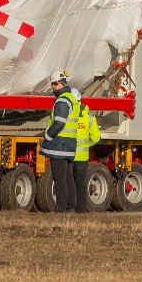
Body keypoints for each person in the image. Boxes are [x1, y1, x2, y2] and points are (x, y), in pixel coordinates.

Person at [41, 71, 80, 212]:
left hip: (59, 144)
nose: (53, 87)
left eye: (55, 84)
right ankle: (71, 206)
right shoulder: (72, 99)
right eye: (52, 84)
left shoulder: (62, 100)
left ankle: (60, 208)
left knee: (59, 178)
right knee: (68, 177)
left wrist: (48, 137)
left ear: (62, 83)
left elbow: (59, 123)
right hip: (68, 144)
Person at [72, 89, 102, 213]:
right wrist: (85, 145)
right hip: (82, 157)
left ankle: (70, 207)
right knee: (80, 183)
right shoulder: (89, 118)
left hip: (68, 155)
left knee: (68, 182)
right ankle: (81, 209)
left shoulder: (68, 116)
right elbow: (96, 137)